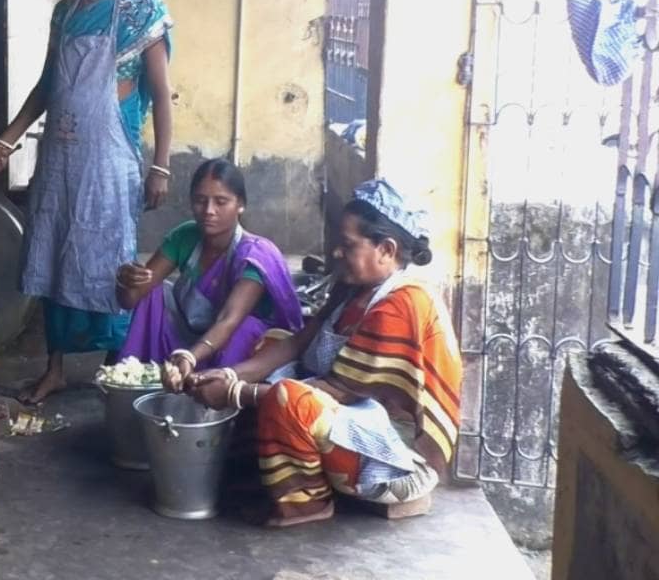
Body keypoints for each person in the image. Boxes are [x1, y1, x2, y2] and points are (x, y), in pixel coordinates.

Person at [185, 179, 463, 527]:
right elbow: (297, 343)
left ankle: (308, 502)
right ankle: (259, 473)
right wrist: (230, 374)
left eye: (347, 245)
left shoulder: (404, 304)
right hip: (356, 423)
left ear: (387, 250)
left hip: (397, 462)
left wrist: (234, 393)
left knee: (290, 399)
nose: (336, 253)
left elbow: (333, 390)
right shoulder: (355, 287)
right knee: (272, 340)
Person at [0, 0, 175, 404]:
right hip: (61, 161)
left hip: (112, 162)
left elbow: (161, 91)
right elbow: (47, 86)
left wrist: (161, 165)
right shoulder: (65, 13)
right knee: (53, 254)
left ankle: (115, 367)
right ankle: (55, 369)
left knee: (108, 257)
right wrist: (6, 141)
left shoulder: (137, 13)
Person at [115, 159, 303, 392]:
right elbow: (131, 300)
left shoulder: (254, 255)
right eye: (200, 201)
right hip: (191, 336)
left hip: (235, 347)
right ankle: (145, 380)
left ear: (240, 204)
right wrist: (125, 281)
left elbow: (229, 318)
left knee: (246, 326)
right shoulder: (185, 237)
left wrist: (189, 357)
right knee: (154, 291)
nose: (209, 211)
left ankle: (217, 393)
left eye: (221, 202)